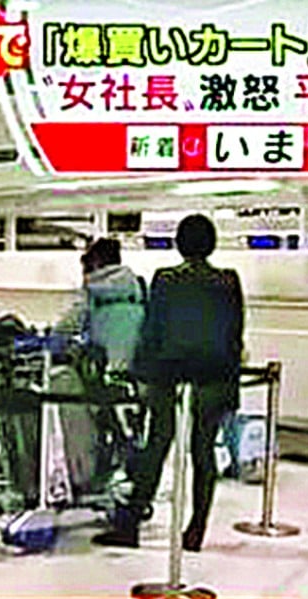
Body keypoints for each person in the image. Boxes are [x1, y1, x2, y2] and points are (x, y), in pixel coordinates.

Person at [93, 214, 244, 552]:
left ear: (179, 243)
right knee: (202, 452)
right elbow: (235, 334)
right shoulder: (228, 281)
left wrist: (143, 376)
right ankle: (196, 530)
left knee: (156, 446)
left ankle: (130, 525)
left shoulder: (165, 279)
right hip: (213, 379)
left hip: (169, 377)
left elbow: (153, 330)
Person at [57, 238, 146, 372]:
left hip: (106, 366)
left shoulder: (92, 289)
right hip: (138, 364)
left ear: (95, 264)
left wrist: (52, 337)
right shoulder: (139, 285)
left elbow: (68, 325)